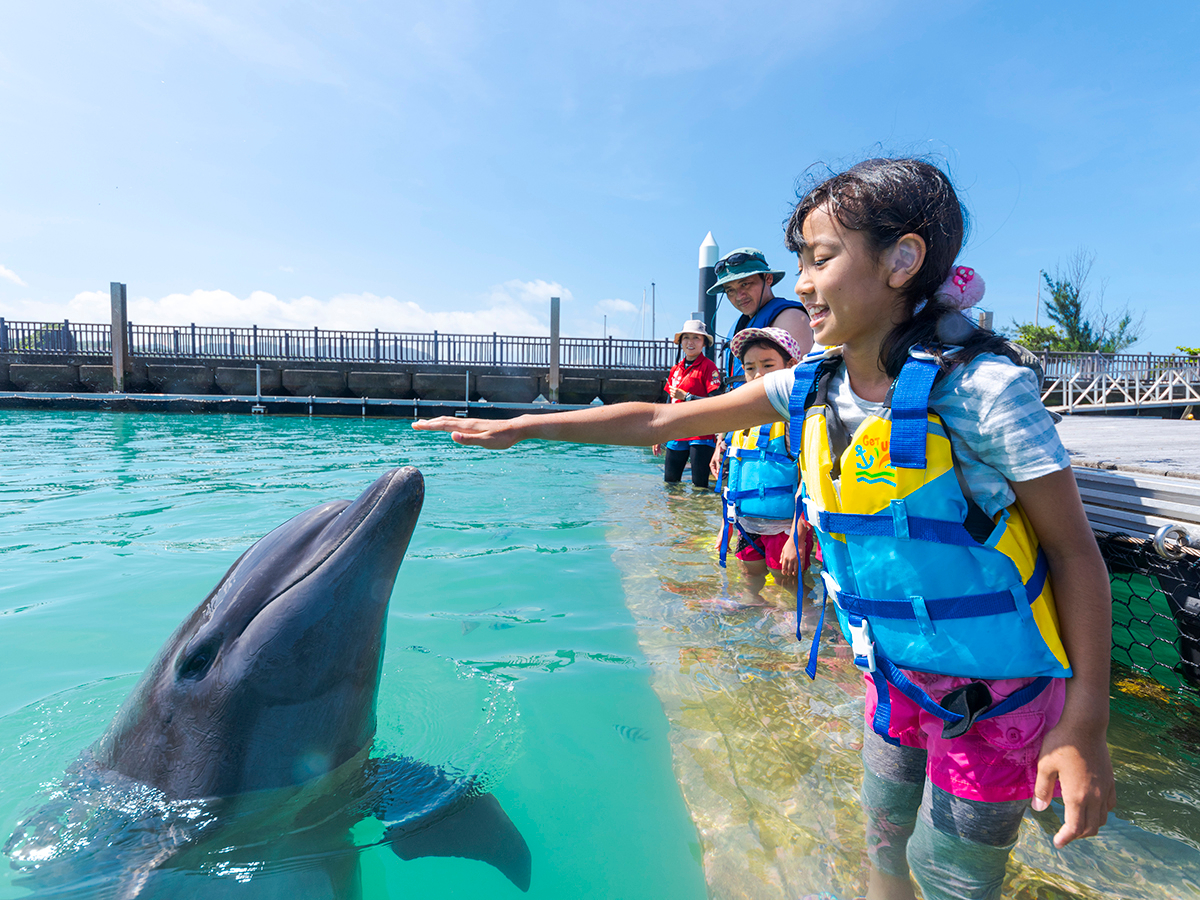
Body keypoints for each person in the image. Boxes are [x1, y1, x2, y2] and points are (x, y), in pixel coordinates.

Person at [414, 157, 1116, 900]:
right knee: (881, 842)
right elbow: (660, 419)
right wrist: (525, 426)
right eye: (799, 264)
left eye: (820, 260)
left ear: (902, 261)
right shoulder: (808, 384)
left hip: (995, 696)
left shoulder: (982, 391)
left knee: (956, 877)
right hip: (896, 681)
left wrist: (1084, 726)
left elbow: (1075, 557)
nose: (803, 286)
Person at [710, 327, 806, 586]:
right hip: (745, 523)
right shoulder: (739, 419)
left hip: (785, 527)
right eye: (750, 367)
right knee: (750, 580)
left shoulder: (795, 421)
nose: (758, 374)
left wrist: (796, 536)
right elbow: (734, 476)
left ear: (791, 365)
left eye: (768, 365)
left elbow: (809, 483)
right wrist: (726, 526)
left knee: (787, 586)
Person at [708, 247, 814, 388]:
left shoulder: (790, 316)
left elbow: (799, 383)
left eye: (745, 284)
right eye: (730, 290)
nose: (739, 296)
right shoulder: (741, 324)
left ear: (768, 278)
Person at [653, 319, 721, 487]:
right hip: (676, 430)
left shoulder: (709, 367)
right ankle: (675, 513)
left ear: (704, 343)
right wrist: (659, 433)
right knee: (670, 483)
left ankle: (697, 513)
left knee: (699, 485)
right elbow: (669, 402)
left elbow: (717, 402)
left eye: (696, 338)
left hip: (701, 433)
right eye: (686, 338)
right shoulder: (675, 369)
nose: (690, 342)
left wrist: (688, 397)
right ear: (680, 342)